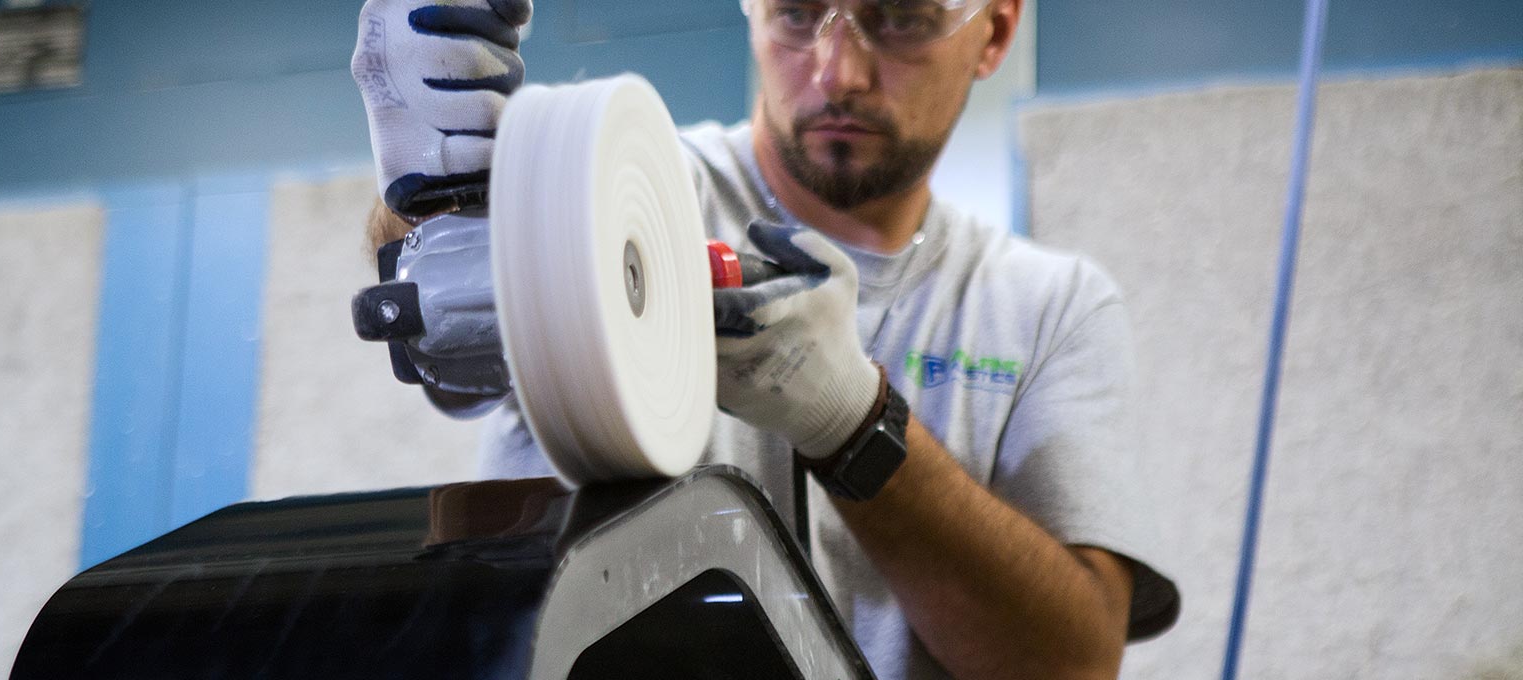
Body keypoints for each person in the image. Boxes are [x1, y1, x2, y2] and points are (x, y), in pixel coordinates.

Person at [351, 0, 1180, 677]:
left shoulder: (1051, 308)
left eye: (899, 19)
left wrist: (853, 420)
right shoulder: (633, 187)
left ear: (994, 31)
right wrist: (441, 193)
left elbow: (1069, 665)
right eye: (799, 13)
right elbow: (456, 350)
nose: (840, 71)